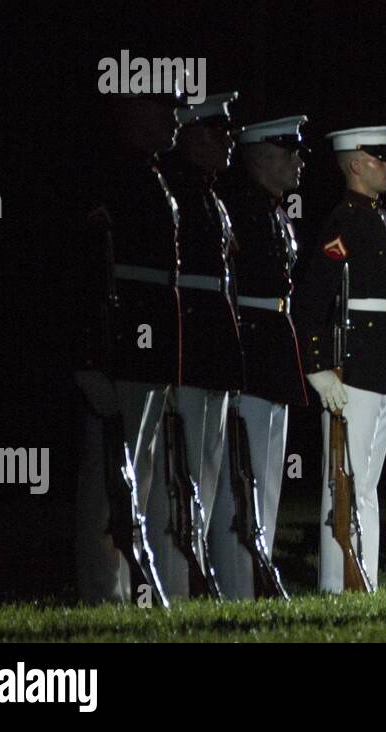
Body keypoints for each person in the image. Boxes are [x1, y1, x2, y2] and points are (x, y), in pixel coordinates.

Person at [73, 78, 183, 604]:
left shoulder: (149, 174)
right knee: (106, 483)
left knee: (135, 473)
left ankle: (125, 589)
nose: (175, 118)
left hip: (148, 347)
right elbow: (84, 273)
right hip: (115, 348)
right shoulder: (107, 173)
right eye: (164, 107)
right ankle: (102, 593)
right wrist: (86, 359)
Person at [296, 125, 386, 591]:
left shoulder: (379, 218)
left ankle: (361, 573)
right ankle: (336, 580)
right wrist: (317, 364)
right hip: (354, 364)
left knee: (365, 483)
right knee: (343, 480)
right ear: (357, 164)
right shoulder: (343, 221)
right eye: (380, 158)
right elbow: (312, 299)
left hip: (381, 363)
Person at [209, 115, 309, 598]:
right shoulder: (239, 208)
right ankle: (235, 581)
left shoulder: (272, 211)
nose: (298, 161)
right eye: (289, 152)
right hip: (248, 346)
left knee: (266, 475)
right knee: (238, 476)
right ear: (262, 157)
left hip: (272, 347)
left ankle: (257, 569)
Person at [149, 90, 244, 597]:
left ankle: (192, 574)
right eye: (217, 132)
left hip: (212, 343)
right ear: (191, 136)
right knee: (176, 474)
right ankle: (173, 580)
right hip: (187, 340)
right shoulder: (179, 192)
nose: (228, 141)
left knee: (204, 470)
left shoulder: (208, 195)